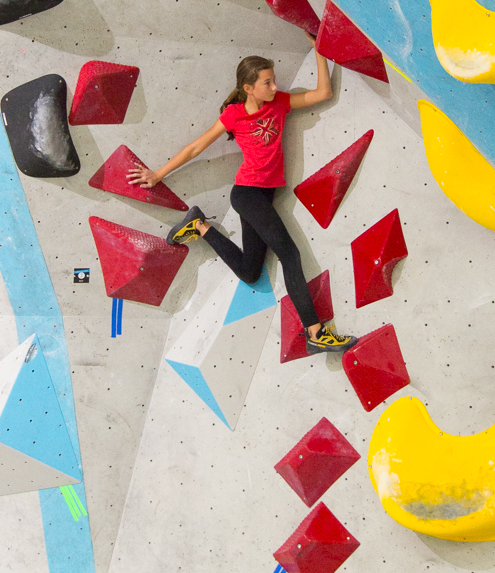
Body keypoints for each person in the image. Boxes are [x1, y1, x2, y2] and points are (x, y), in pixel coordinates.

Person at [129, 37, 357, 354]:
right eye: (267, 82)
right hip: (247, 194)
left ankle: (200, 227)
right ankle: (316, 332)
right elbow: (197, 147)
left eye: (274, 80)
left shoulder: (280, 104)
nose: (275, 86)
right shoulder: (234, 115)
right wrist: (157, 174)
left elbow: (323, 93)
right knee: (290, 255)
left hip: (264, 198)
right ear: (248, 87)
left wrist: (319, 51)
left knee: (251, 272)